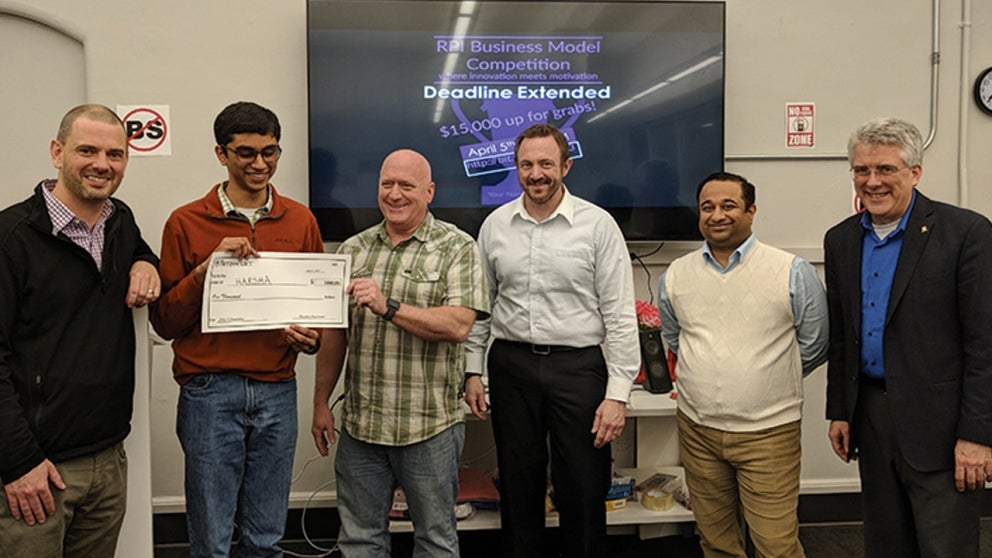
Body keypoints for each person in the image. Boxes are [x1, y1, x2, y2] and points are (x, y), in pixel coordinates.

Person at [149, 101, 324, 557]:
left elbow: (315, 315)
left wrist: (310, 340)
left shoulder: (301, 220)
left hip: (277, 390)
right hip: (209, 392)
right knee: (210, 539)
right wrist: (204, 273)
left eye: (270, 152)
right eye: (246, 152)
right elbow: (165, 322)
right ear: (220, 153)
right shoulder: (185, 222)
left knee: (266, 536)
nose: (260, 164)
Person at [463, 123, 640, 558]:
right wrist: (472, 369)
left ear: (566, 165)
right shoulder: (495, 225)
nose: (536, 173)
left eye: (545, 163)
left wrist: (617, 394)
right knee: (518, 483)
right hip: (512, 366)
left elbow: (619, 314)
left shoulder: (598, 226)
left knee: (582, 484)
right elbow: (481, 307)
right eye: (526, 164)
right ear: (516, 168)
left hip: (578, 368)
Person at [824, 117, 992, 558]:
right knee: (886, 543)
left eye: (885, 170)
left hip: (942, 424)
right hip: (872, 417)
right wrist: (840, 410)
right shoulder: (840, 240)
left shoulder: (966, 234)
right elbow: (842, 335)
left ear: (914, 172)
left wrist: (978, 434)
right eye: (862, 170)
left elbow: (985, 342)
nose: (872, 182)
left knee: (945, 547)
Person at [310, 149, 489, 557]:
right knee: (359, 540)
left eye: (406, 186)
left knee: (436, 540)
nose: (395, 194)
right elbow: (335, 335)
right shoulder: (352, 250)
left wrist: (388, 306)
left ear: (429, 191)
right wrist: (321, 402)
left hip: (429, 429)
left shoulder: (457, 247)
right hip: (361, 428)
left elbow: (459, 325)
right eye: (387, 184)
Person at [0, 104, 160, 556]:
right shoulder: (11, 239)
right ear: (57, 151)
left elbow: (142, 250)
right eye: (86, 150)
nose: (101, 164)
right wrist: (18, 462)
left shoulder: (119, 221)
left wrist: (147, 263)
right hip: (38, 471)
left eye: (115, 154)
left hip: (109, 460)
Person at [658, 171, 828, 558]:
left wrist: (766, 377)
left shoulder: (791, 271)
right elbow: (675, 339)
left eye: (729, 205)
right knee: (716, 541)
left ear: (751, 212)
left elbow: (816, 343)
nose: (717, 215)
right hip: (698, 429)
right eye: (708, 207)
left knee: (775, 544)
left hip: (769, 433)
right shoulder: (674, 276)